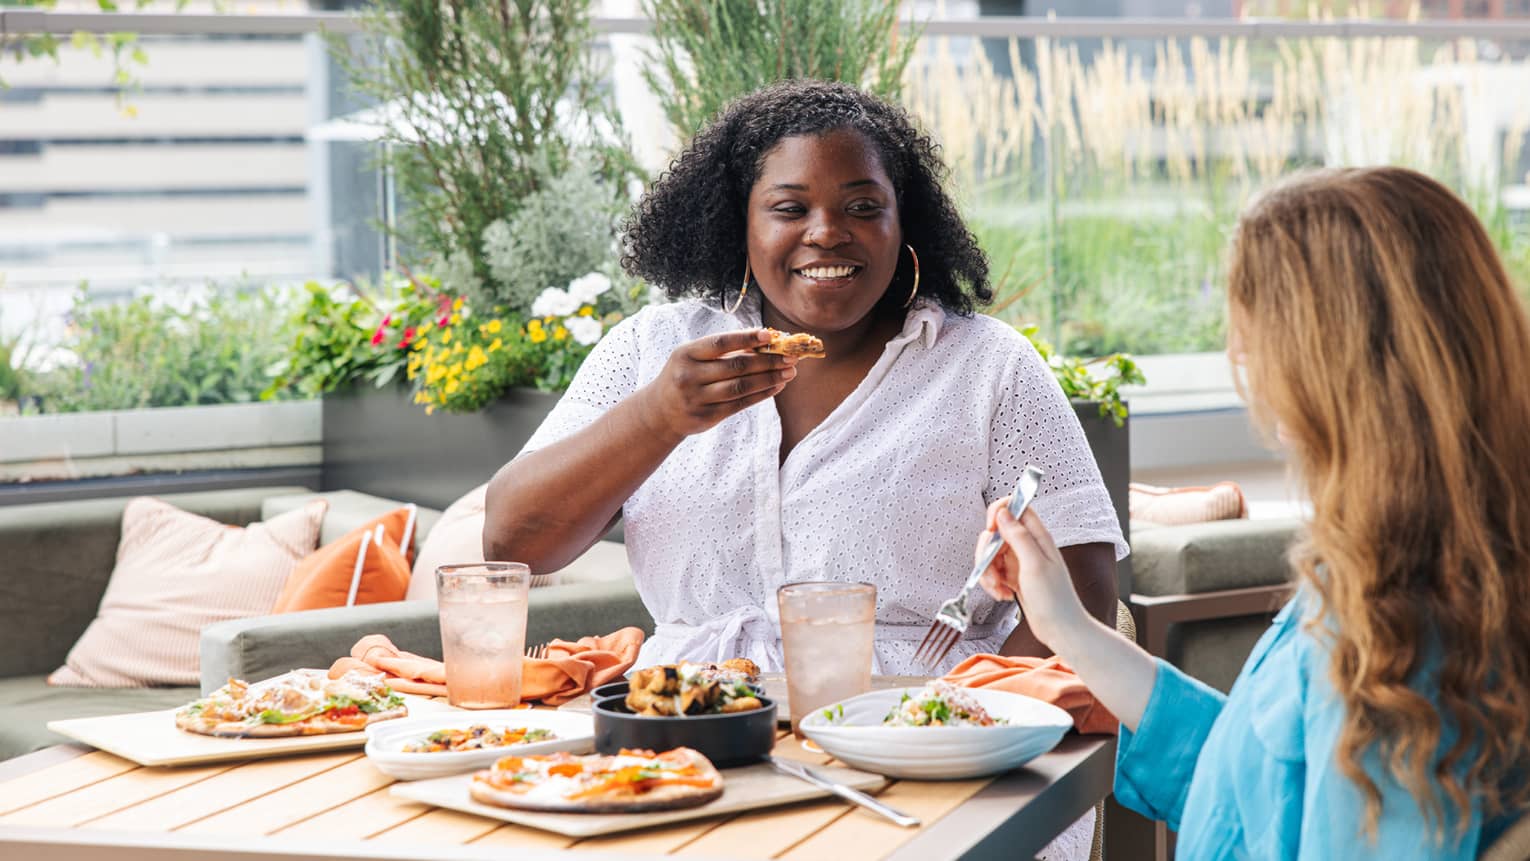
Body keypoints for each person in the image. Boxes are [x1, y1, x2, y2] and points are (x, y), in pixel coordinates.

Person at [482, 80, 1126, 675]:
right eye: (789, 208)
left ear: (905, 225)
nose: (827, 233)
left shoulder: (988, 366)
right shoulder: (648, 351)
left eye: (863, 206)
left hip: (921, 740)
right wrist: (656, 418)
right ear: (742, 226)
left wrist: (966, 718)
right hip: (687, 729)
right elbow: (512, 543)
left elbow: (1087, 588)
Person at [976, 167, 1530, 857]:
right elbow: (1258, 776)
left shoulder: (1398, 651)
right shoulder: (1414, 567)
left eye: (1252, 332)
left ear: (1328, 369)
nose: (1239, 357)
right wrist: (1067, 624)